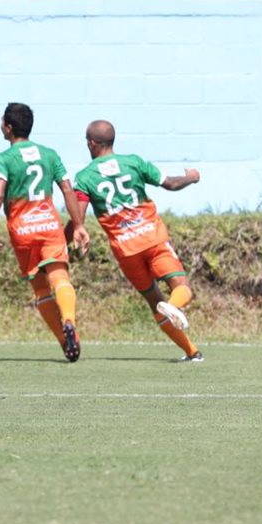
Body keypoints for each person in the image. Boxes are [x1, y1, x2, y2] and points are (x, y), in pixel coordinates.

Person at [64, 120, 203, 362]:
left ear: (91, 143)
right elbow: (170, 184)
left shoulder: (85, 177)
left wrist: (65, 240)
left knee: (154, 301)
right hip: (153, 239)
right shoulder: (134, 162)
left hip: (126, 251)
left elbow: (78, 217)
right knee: (181, 288)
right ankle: (175, 306)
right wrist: (190, 177)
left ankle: (192, 352)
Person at [0, 103, 91, 361]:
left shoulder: (2, 159)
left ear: (8, 127)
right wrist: (79, 225)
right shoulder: (49, 154)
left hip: (22, 231)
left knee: (41, 290)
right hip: (49, 227)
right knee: (61, 278)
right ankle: (70, 320)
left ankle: (65, 342)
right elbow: (67, 188)